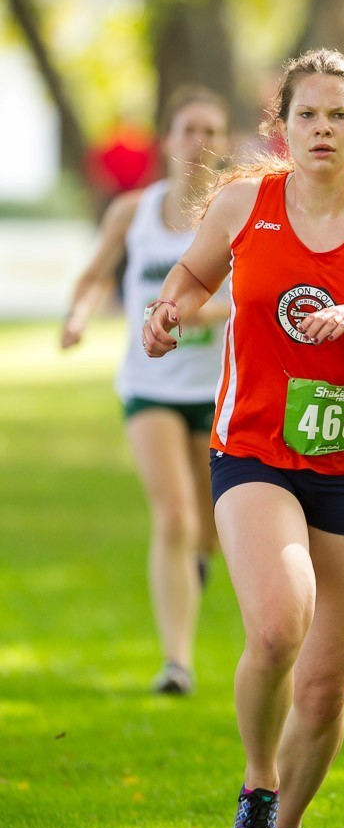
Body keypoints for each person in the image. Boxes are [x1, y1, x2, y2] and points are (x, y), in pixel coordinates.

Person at [142, 48, 344, 828]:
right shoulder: (247, 205)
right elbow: (190, 278)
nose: (322, 129)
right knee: (280, 623)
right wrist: (166, 313)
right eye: (306, 115)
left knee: (326, 686)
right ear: (280, 126)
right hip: (253, 454)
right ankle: (256, 788)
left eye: (338, 114)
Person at [61, 85, 233, 695]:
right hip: (149, 386)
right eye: (189, 129)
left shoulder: (235, 214)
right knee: (176, 514)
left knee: (210, 528)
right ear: (168, 139)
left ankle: (193, 572)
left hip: (215, 391)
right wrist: (78, 317)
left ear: (223, 144)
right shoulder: (133, 211)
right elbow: (92, 274)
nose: (200, 141)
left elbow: (243, 301)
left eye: (212, 131)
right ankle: (176, 664)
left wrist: (192, 311)